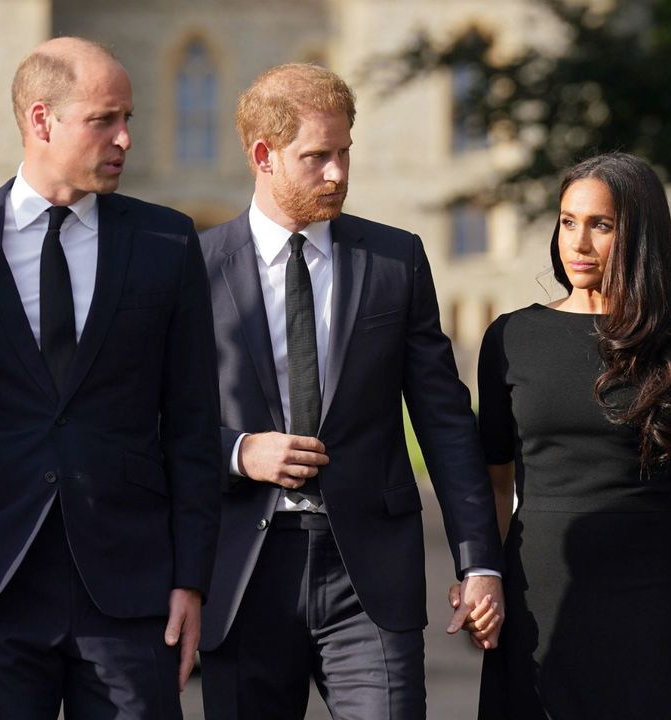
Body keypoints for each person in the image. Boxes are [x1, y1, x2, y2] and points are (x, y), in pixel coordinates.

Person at [0, 37, 222, 719]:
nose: (126, 138)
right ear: (41, 121)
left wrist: (191, 580)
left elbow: (193, 427)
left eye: (127, 117)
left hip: (132, 591)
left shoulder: (168, 242)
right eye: (105, 120)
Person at [196, 63, 506, 720]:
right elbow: (153, 419)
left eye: (344, 153)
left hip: (368, 577)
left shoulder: (396, 261)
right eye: (316, 157)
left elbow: (446, 423)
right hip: (243, 573)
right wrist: (238, 451)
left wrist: (480, 561)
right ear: (263, 155)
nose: (337, 173)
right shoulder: (194, 269)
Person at [472, 152, 671, 719]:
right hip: (538, 595)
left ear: (639, 235)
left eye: (601, 225)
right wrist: (481, 578)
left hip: (650, 603)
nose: (578, 243)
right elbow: (493, 485)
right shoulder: (511, 337)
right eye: (567, 221)